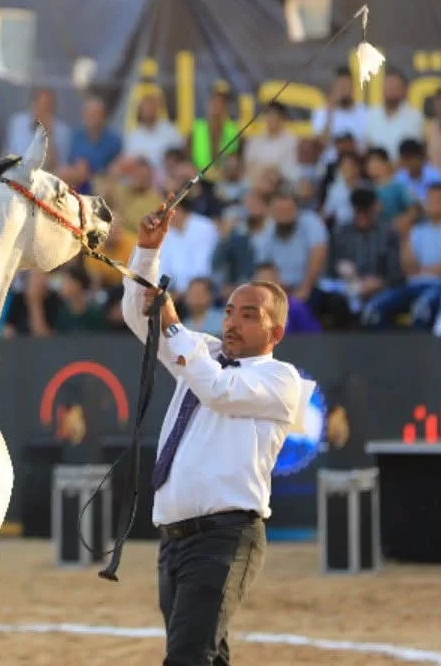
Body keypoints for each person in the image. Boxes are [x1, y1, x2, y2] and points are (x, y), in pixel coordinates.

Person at [122, 196, 311, 666]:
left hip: (225, 537)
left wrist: (173, 327)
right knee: (203, 656)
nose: (233, 322)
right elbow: (138, 317)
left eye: (249, 315)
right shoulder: (202, 353)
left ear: (276, 332)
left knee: (188, 656)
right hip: (175, 538)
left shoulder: (280, 379)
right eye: (229, 311)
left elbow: (219, 390)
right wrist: (147, 253)